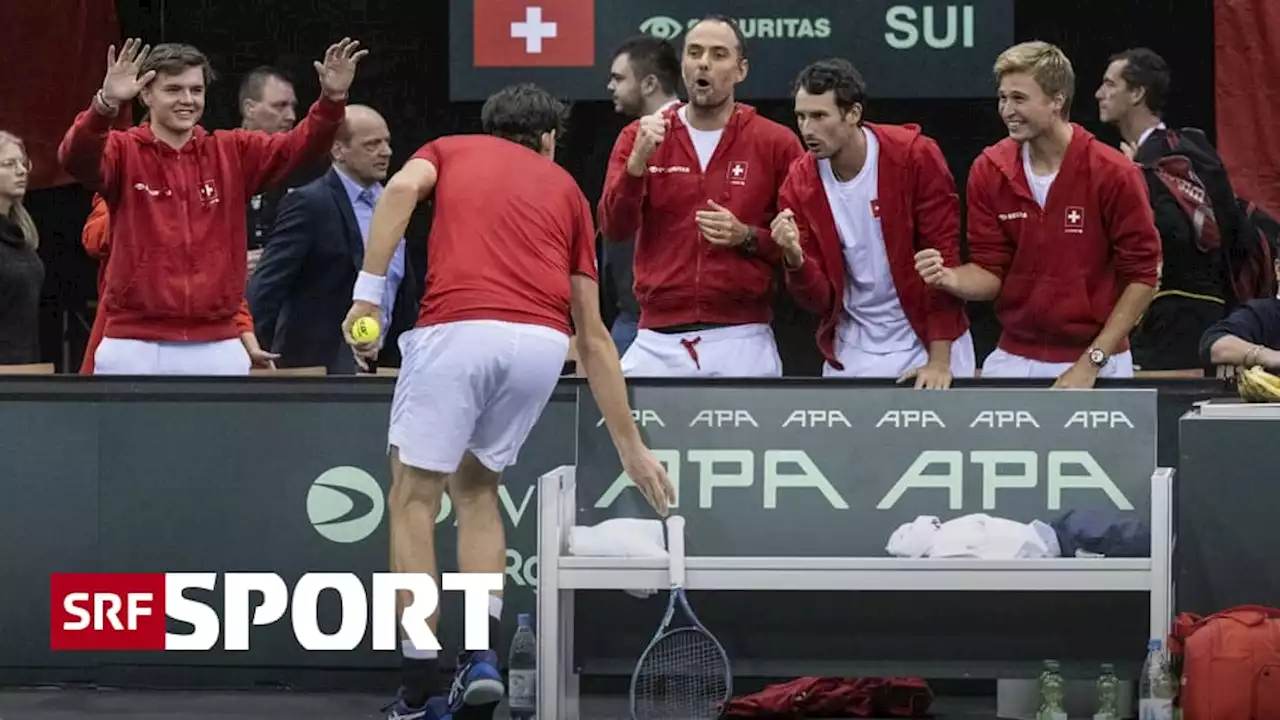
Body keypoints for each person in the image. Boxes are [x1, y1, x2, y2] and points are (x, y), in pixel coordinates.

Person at [340, 83, 674, 720]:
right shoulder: (571, 194)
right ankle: (481, 657)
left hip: (459, 330)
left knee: (413, 497)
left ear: (491, 128)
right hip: (541, 346)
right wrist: (630, 446)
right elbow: (595, 333)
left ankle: (418, 688)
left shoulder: (449, 148)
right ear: (548, 140)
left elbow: (402, 191)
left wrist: (366, 295)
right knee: (478, 490)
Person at [58, 37, 364, 375]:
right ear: (146, 95)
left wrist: (332, 100)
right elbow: (75, 158)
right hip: (133, 340)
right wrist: (104, 106)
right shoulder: (122, 150)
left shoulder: (231, 151)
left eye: (196, 90)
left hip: (218, 341)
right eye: (173, 90)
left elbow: (299, 149)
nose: (187, 100)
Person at [916, 41, 1161, 387]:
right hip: (1014, 357)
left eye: (1019, 98)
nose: (1007, 110)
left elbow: (1143, 276)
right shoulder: (989, 169)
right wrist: (950, 279)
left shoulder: (1113, 172)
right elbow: (989, 272)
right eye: (1003, 98)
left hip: (1098, 360)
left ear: (1057, 100)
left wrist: (1092, 362)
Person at [598, 15, 805, 377]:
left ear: (740, 70)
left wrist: (747, 237)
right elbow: (613, 228)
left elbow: (804, 243)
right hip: (656, 340)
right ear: (683, 66)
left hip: (742, 336)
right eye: (694, 52)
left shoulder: (775, 142)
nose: (704, 62)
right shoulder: (639, 137)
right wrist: (635, 168)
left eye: (718, 54)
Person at [772, 59, 974, 387]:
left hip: (929, 342)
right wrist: (794, 259)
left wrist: (939, 362)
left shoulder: (914, 157)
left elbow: (943, 262)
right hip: (854, 348)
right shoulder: (798, 183)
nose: (807, 129)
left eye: (820, 116)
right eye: (801, 116)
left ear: (853, 114)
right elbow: (819, 301)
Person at [248, 105, 416, 373]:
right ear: (339, 151)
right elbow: (268, 286)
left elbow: (401, 289)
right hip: (319, 371)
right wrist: (253, 352)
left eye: (386, 142)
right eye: (372, 144)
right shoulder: (309, 203)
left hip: (388, 366)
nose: (386, 152)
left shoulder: (394, 203)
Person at [1097, 48, 1236, 371]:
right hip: (1193, 315)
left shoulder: (1165, 157)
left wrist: (1135, 179)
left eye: (1109, 84)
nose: (1099, 93)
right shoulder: (1179, 150)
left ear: (1137, 93)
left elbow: (1180, 237)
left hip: (1176, 322)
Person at [603, 35, 681, 355]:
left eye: (619, 78)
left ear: (649, 84)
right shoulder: (631, 137)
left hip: (653, 321)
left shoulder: (688, 134)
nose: (610, 86)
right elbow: (613, 222)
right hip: (632, 315)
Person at [0, 132, 44, 365]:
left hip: (24, 372)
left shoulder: (21, 235)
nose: (21, 170)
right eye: (8, 164)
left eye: (23, 163)